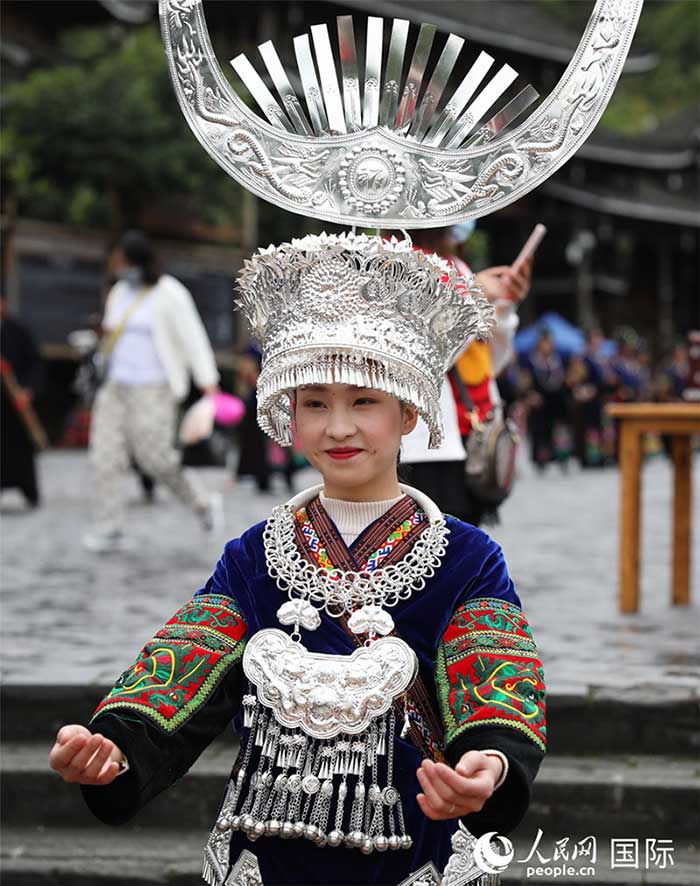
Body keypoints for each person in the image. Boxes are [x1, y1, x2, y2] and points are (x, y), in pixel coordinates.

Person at [50, 233, 546, 886]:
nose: (337, 427)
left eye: (363, 401)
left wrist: (492, 762)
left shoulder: (465, 558)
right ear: (290, 413)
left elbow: (496, 675)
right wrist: (116, 746)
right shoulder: (256, 553)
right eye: (315, 403)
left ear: (408, 412)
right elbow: (184, 664)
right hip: (265, 861)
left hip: (412, 852)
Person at [82, 229, 221, 553]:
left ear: (136, 261)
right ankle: (108, 527)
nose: (117, 266)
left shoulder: (170, 293)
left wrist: (208, 381)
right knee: (105, 457)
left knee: (156, 459)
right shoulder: (118, 292)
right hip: (115, 387)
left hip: (154, 389)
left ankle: (201, 503)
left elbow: (192, 337)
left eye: (121, 260)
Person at [399, 224, 531, 525]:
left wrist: (505, 306)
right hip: (425, 442)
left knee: (465, 544)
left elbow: (489, 363)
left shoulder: (457, 266)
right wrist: (472, 294)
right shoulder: (396, 264)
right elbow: (421, 355)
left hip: (471, 432)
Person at [0, 294, 43, 507]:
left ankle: (29, 491)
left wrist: (28, 390)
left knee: (19, 451)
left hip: (15, 402)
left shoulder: (19, 330)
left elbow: (35, 363)